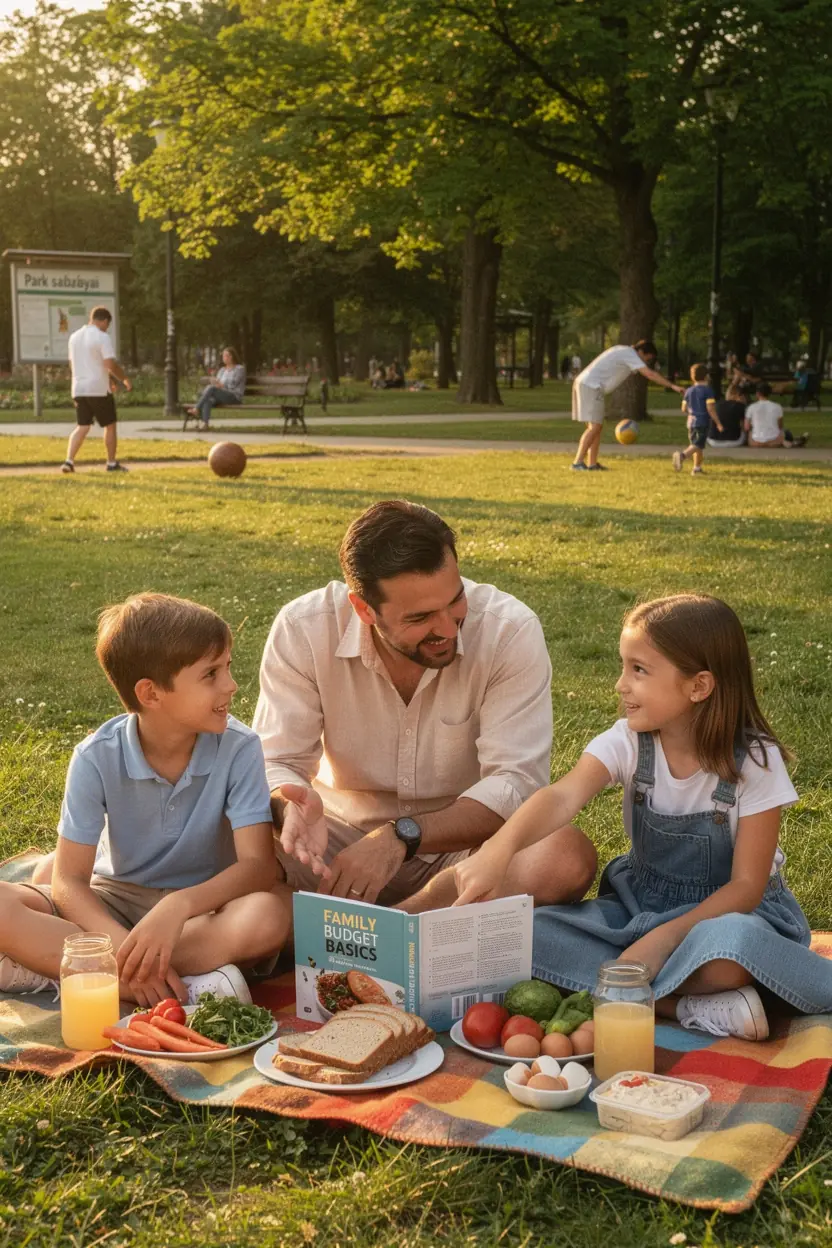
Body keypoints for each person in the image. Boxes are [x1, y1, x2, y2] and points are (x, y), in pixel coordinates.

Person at [452, 594, 832, 1040]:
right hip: (640, 907)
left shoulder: (755, 761)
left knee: (734, 949)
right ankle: (684, 1006)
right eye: (623, 666)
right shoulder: (629, 741)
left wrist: (663, 940)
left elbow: (746, 888)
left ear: (698, 686)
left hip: (728, 916)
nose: (620, 685)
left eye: (639, 670)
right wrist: (499, 850)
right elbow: (561, 796)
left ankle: (631, 989)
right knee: (525, 937)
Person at [252, 500, 597, 918]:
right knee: (227, 841)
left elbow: (515, 784)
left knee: (563, 854)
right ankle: (410, 931)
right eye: (420, 618)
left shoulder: (509, 630)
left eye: (455, 600)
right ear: (363, 609)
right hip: (333, 845)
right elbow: (277, 761)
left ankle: (377, 934)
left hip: (461, 854)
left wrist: (401, 837)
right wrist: (290, 807)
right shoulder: (304, 627)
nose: (448, 628)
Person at [0, 594, 289, 1002]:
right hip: (114, 899)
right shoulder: (96, 757)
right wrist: (123, 946)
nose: (231, 684)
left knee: (271, 915)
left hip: (202, 910)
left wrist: (178, 907)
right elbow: (69, 881)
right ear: (151, 694)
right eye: (211, 674)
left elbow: (258, 867)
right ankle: (176, 984)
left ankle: (79, 972)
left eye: (228, 666)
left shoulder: (239, 747)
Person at [572, 340, 684, 471]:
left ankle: (592, 464)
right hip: (591, 386)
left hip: (588, 384)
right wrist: (672, 386)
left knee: (596, 427)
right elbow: (649, 373)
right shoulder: (630, 354)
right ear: (641, 351)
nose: (645, 362)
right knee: (595, 427)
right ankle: (577, 463)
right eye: (647, 358)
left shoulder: (623, 350)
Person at [62, 306, 132, 475]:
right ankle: (111, 463)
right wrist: (123, 378)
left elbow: (73, 364)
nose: (107, 328)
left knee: (82, 426)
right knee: (110, 425)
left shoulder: (74, 337)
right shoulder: (102, 337)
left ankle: (69, 461)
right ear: (104, 321)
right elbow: (110, 365)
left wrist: (107, 379)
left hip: (79, 388)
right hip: (98, 389)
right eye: (107, 325)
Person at [672, 363, 718, 475]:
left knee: (696, 446)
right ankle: (682, 456)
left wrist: (692, 412)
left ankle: (697, 468)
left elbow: (683, 408)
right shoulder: (708, 391)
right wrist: (718, 422)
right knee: (698, 444)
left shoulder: (689, 391)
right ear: (706, 376)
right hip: (703, 421)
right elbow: (710, 408)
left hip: (691, 422)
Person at [185, 347, 246, 430]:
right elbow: (218, 383)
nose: (223, 358)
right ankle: (205, 424)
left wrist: (221, 385)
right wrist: (215, 382)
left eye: (225, 356)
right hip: (222, 395)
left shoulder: (239, 369)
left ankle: (196, 408)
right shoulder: (222, 370)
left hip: (234, 396)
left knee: (211, 388)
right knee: (208, 400)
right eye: (223, 356)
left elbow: (233, 384)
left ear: (231, 356)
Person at [745, 382, 808, 448]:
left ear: (757, 393)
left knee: (751, 432)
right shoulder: (777, 406)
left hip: (755, 443)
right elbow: (780, 426)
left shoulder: (751, 407)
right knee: (784, 432)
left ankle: (791, 442)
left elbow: (747, 427)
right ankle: (792, 442)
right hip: (774, 442)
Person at [707, 382, 747, 448]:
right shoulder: (740, 406)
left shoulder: (717, 404)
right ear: (738, 395)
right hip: (734, 442)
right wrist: (744, 404)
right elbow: (744, 426)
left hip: (712, 441)